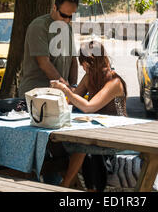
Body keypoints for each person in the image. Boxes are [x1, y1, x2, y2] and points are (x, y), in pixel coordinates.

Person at [50, 41, 127, 189]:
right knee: (56, 141)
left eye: (83, 63)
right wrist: (57, 93)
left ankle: (65, 185)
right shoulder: (89, 78)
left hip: (117, 131)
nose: (82, 67)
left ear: (91, 61)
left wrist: (66, 91)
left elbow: (89, 107)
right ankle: (70, 183)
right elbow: (72, 101)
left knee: (83, 145)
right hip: (97, 129)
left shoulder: (114, 81)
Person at [18, 0, 79, 98]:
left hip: (59, 95)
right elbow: (44, 63)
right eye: (64, 15)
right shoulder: (39, 26)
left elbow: (73, 61)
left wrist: (73, 87)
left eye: (71, 17)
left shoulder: (68, 28)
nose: (67, 20)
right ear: (54, 7)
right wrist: (66, 89)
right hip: (35, 94)